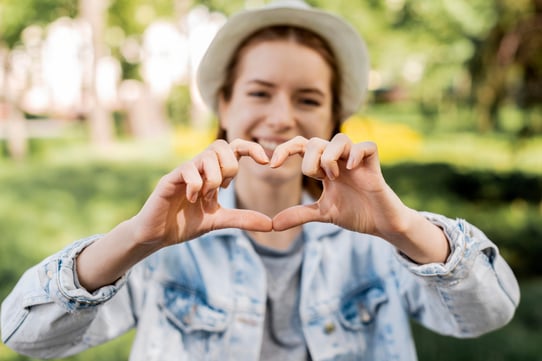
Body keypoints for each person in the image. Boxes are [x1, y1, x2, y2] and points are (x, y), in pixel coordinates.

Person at [1, 1, 520, 360]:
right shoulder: (167, 243)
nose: (281, 117)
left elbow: (488, 313)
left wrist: (404, 228)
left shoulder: (377, 242)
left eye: (308, 99)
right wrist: (136, 238)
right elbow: (25, 335)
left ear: (334, 118)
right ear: (224, 104)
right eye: (259, 92)